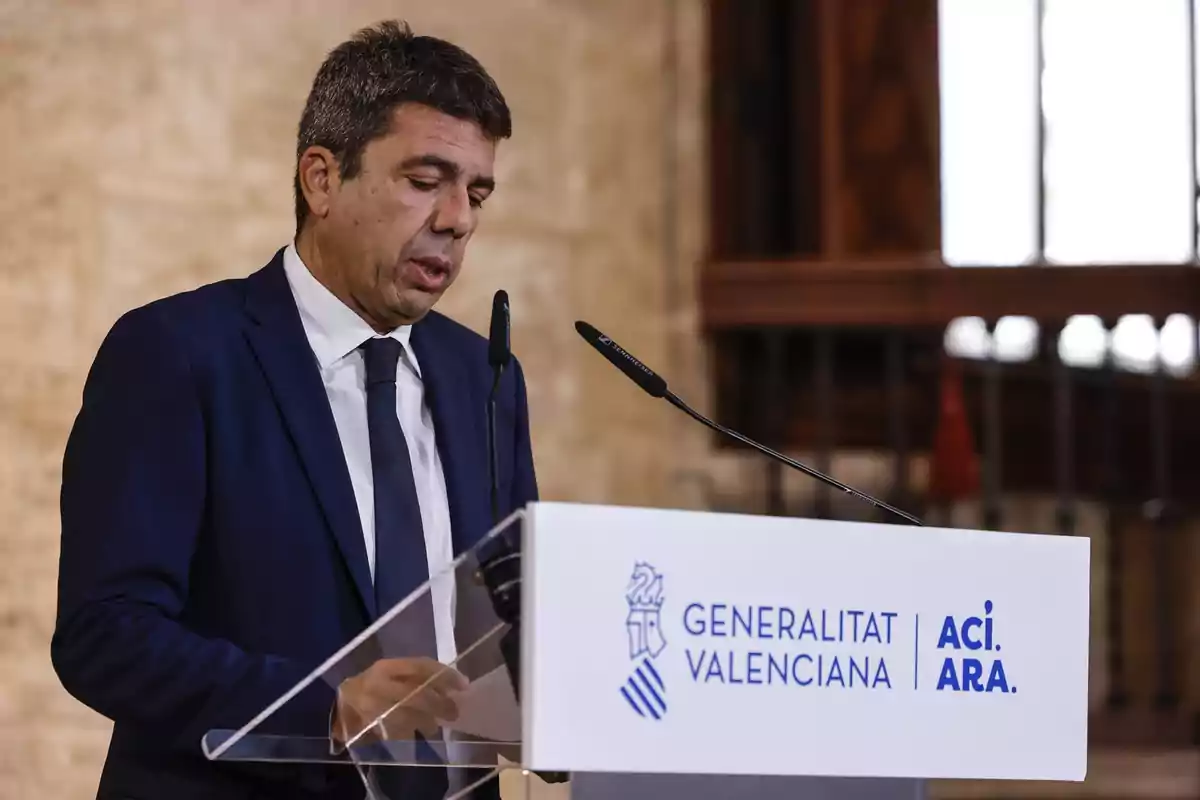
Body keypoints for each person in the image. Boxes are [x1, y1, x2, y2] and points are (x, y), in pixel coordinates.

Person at [51, 19, 536, 800]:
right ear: (320, 178)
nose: (458, 218)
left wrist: (556, 703)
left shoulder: (484, 374)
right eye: (425, 180)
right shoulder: (179, 354)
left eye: (476, 191)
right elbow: (105, 635)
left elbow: (510, 610)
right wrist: (329, 709)